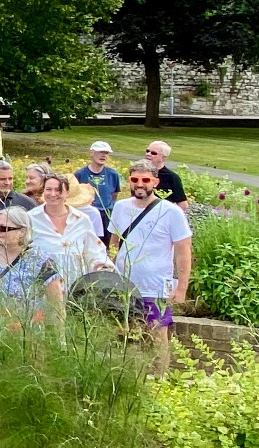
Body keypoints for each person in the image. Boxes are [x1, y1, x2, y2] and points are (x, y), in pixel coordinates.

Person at [109, 160, 192, 371]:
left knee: (158, 334)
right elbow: (113, 243)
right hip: (124, 284)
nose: (139, 184)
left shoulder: (171, 212)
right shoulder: (120, 207)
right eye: (135, 179)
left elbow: (183, 252)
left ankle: (160, 379)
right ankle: (128, 376)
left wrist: (181, 288)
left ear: (155, 182)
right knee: (124, 333)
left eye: (145, 180)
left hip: (155, 286)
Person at [0, 206, 64, 322]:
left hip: (26, 333)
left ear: (22, 232)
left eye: (4, 228)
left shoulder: (41, 261)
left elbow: (57, 306)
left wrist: (60, 338)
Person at [28, 174, 112, 289]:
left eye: (58, 190)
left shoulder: (82, 219)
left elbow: (94, 251)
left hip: (76, 288)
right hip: (42, 289)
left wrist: (103, 271)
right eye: (48, 189)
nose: (53, 194)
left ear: (67, 193)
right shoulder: (30, 218)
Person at [75, 142, 121, 232]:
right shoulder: (79, 174)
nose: (103, 155)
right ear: (91, 153)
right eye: (100, 152)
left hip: (107, 215)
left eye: (106, 153)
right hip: (88, 214)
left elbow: (114, 195)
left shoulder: (113, 174)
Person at [144, 141, 189, 212]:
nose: (148, 154)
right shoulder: (139, 173)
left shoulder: (171, 177)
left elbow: (183, 205)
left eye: (153, 153)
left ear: (163, 158)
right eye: (147, 151)